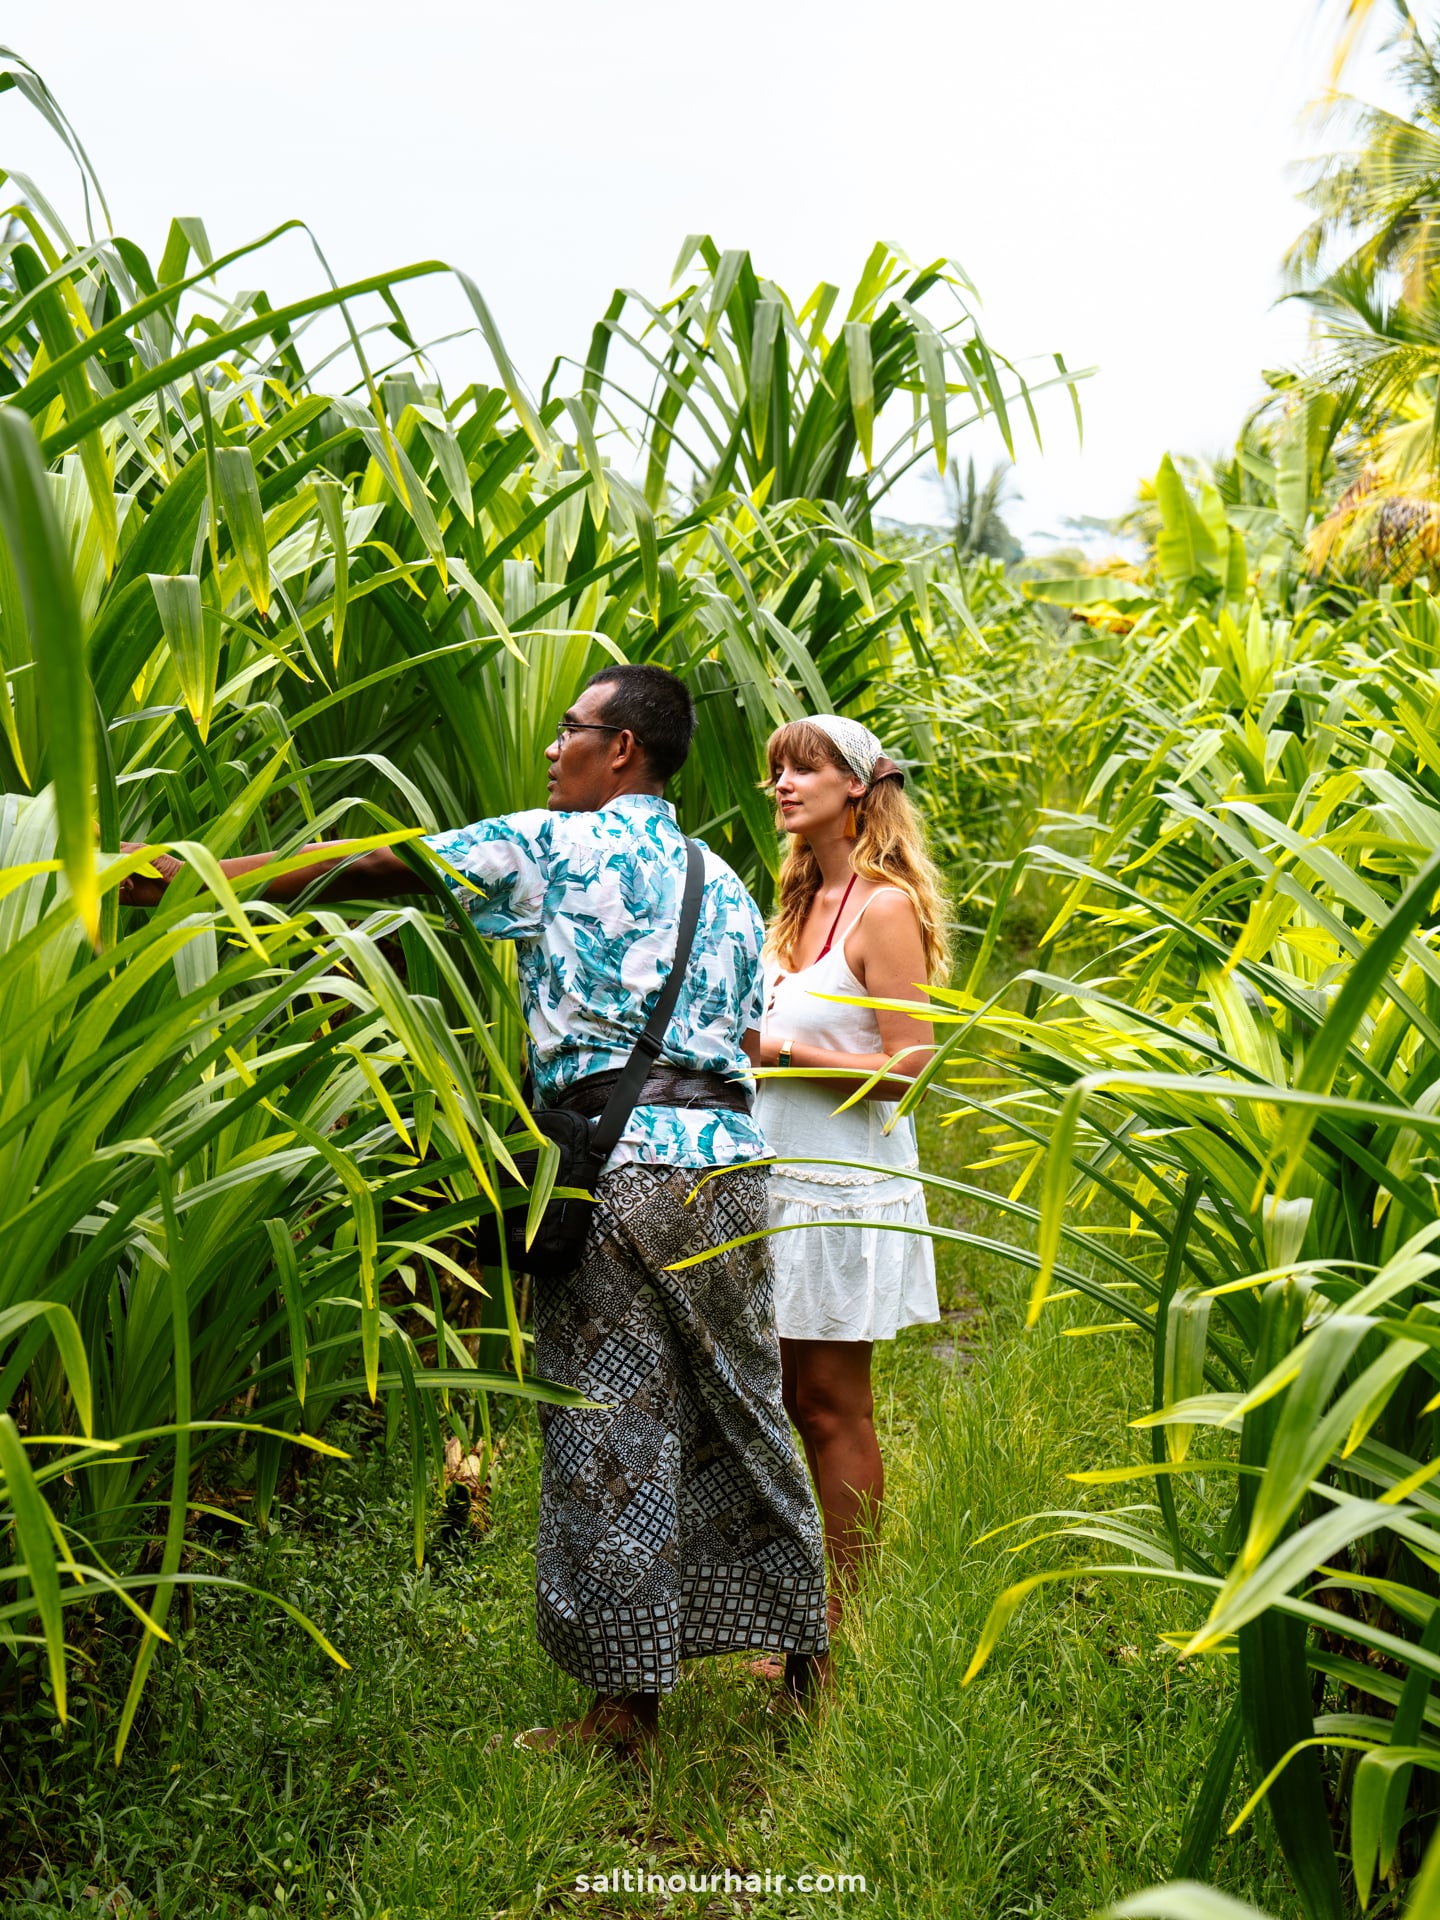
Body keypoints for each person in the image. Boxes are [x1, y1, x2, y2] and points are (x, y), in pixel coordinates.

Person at [121, 663, 830, 1751]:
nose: (553, 750)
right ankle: (807, 1664)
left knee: (610, 1425)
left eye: (570, 731)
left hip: (615, 1168)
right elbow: (736, 1031)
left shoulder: (552, 844)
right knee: (744, 1402)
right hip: (731, 1169)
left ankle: (621, 1711)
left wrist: (184, 876)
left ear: (623, 749)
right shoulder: (723, 881)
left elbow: (372, 868)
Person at [754, 714, 946, 1642]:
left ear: (858, 788)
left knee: (833, 1406)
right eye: (778, 772)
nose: (785, 785)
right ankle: (806, 1609)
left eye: (807, 769)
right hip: (775, 1180)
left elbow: (911, 1062)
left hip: (841, 1186)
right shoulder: (791, 908)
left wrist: (777, 1053)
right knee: (790, 1398)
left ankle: (845, 1625)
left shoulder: (884, 908)